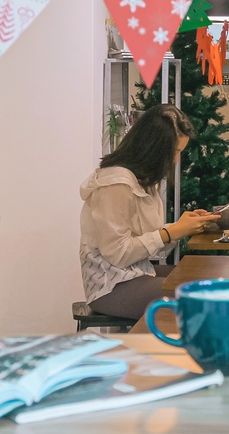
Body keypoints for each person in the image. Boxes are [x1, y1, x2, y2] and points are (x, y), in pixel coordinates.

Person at [79, 104, 219, 320]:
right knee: (199, 297)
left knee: (204, 278)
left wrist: (181, 228)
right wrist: (171, 232)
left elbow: (153, 251)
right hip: (110, 286)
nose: (176, 160)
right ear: (154, 148)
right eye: (175, 152)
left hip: (138, 272)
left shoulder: (144, 180)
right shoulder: (116, 184)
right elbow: (118, 253)